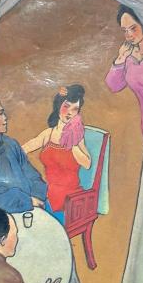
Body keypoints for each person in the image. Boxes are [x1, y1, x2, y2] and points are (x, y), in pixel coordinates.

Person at [22, 85, 91, 220]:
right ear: (58, 106)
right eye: (66, 106)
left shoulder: (78, 137)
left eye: (75, 109)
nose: (69, 112)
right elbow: (24, 149)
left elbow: (87, 164)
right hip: (48, 191)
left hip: (68, 196)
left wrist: (72, 142)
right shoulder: (48, 133)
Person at [105, 5, 143, 138]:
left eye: (133, 28)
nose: (129, 35)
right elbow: (114, 86)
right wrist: (121, 58)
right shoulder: (129, 56)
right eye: (125, 30)